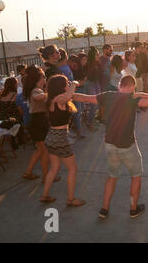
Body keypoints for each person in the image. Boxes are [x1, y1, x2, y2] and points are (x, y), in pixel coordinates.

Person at [73, 74, 148, 218]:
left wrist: (67, 93)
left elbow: (84, 98)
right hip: (127, 146)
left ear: (119, 85)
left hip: (110, 144)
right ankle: (133, 209)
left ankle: (104, 209)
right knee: (135, 176)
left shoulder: (108, 95)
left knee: (112, 176)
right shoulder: (132, 99)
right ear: (132, 87)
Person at [40, 75, 85, 206]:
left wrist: (71, 86)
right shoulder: (59, 99)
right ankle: (71, 199)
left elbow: (69, 96)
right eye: (66, 83)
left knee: (54, 168)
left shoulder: (51, 99)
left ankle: (45, 195)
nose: (68, 85)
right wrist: (74, 83)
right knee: (72, 169)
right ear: (61, 87)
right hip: (60, 138)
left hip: (51, 137)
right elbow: (67, 96)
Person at [22, 66, 60, 183]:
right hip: (38, 121)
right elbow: (37, 97)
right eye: (44, 76)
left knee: (40, 150)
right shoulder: (35, 90)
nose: (45, 78)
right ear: (38, 78)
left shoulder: (39, 89)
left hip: (38, 121)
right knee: (45, 152)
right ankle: (46, 177)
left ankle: (28, 172)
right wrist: (51, 94)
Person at [84, 46, 100, 130]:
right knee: (94, 103)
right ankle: (90, 122)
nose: (99, 55)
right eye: (97, 54)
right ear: (93, 56)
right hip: (90, 84)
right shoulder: (89, 64)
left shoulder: (96, 63)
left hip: (96, 83)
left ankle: (91, 119)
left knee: (97, 102)